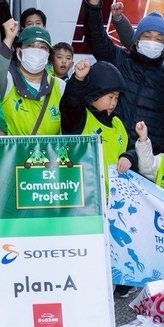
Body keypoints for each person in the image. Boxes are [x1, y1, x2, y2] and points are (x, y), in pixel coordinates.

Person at [81, 0, 164, 154]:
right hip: (111, 148)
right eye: (148, 36)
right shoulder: (120, 60)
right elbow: (95, 37)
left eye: (159, 38)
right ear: (137, 40)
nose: (153, 41)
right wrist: (94, 0)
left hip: (148, 158)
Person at [59, 59, 134, 298]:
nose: (113, 102)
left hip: (114, 207)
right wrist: (78, 80)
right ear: (94, 94)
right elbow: (69, 104)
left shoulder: (119, 124)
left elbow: (128, 147)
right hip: (84, 204)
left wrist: (129, 156)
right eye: (109, 96)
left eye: (117, 97)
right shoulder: (79, 119)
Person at [0, 21, 65, 136]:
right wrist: (9, 39)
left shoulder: (60, 86)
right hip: (10, 153)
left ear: (49, 54)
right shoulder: (6, 79)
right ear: (19, 51)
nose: (37, 51)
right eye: (30, 46)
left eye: (42, 47)